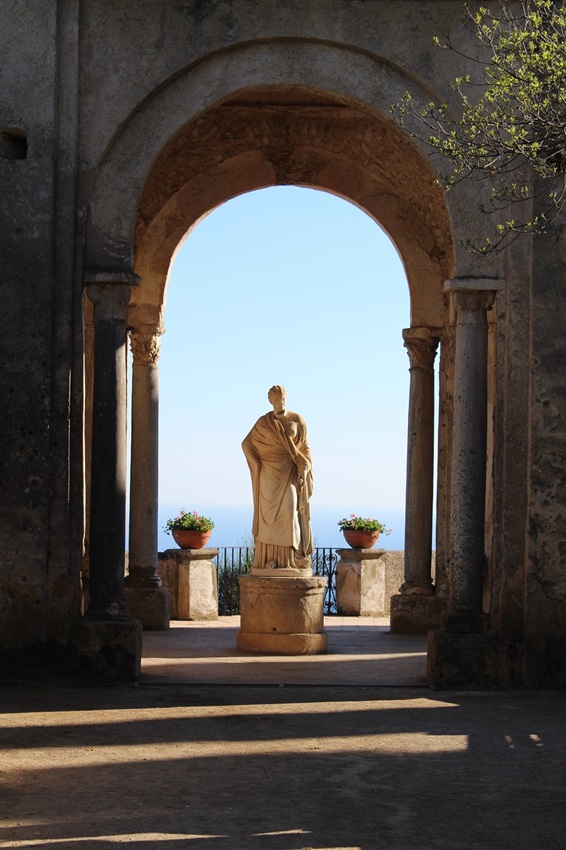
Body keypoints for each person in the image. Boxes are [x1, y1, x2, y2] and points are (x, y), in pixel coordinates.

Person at [242, 386, 314, 572]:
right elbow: (246, 444)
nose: (280, 403)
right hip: (267, 474)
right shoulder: (264, 422)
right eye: (276, 400)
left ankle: (291, 560)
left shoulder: (297, 420)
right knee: (267, 519)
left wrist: (303, 470)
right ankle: (267, 560)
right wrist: (256, 464)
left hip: (288, 472)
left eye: (282, 399)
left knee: (291, 513)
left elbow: (305, 450)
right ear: (270, 401)